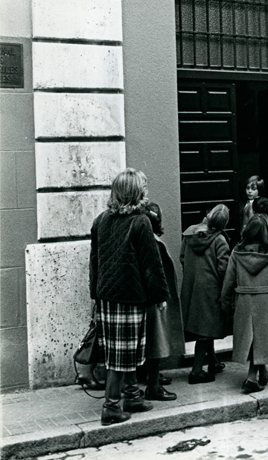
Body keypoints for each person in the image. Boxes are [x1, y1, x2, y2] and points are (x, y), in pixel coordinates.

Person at [89, 168, 170, 425]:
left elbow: (94, 262)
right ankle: (111, 407)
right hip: (130, 297)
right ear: (136, 193)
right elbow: (151, 264)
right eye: (143, 187)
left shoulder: (101, 219)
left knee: (126, 351)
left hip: (107, 297)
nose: (146, 191)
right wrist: (160, 296)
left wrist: (95, 292)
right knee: (122, 355)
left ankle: (133, 396)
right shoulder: (140, 222)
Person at [220, 215, 268, 393]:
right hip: (266, 301)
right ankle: (251, 378)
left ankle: (264, 373)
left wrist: (225, 302)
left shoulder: (236, 253)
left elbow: (228, 281)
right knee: (261, 338)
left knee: (252, 338)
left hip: (244, 301)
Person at [180, 204, 230, 384]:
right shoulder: (220, 241)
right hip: (210, 289)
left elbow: (182, 259)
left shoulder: (189, 235)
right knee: (205, 330)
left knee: (204, 327)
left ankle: (213, 361)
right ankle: (196, 370)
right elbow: (223, 268)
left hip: (191, 286)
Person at [139, 201, 183, 401]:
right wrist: (161, 297)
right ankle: (153, 384)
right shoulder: (153, 242)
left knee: (150, 341)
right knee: (156, 341)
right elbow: (156, 271)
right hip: (154, 297)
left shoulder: (147, 238)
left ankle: (149, 376)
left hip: (147, 295)